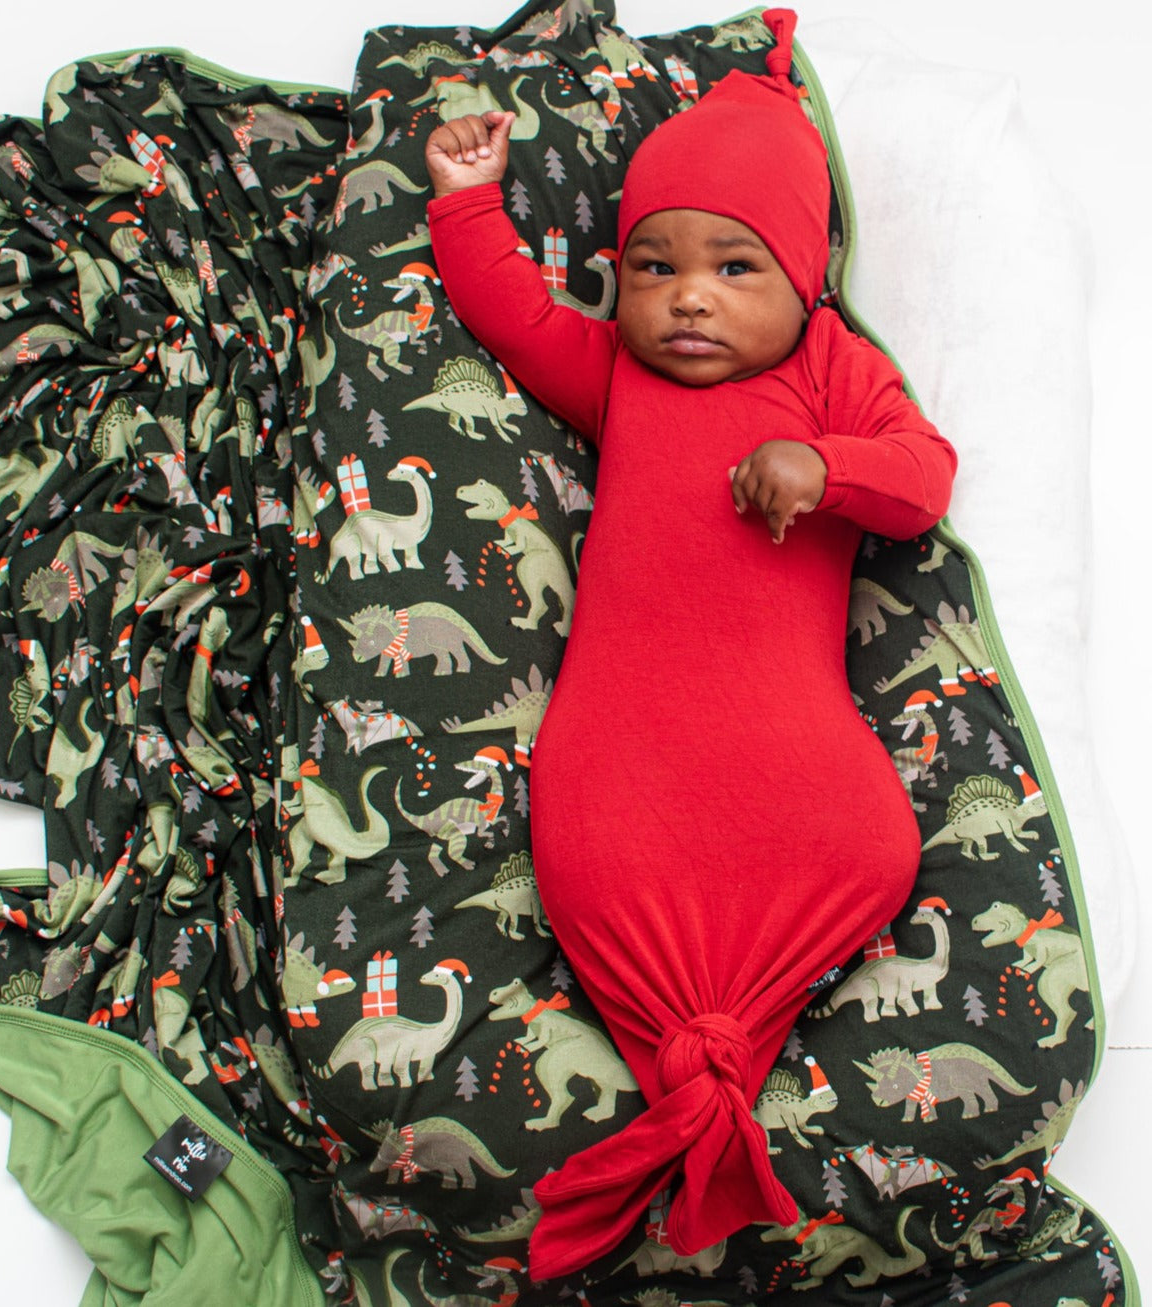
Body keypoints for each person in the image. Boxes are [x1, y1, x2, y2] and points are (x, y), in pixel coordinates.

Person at [423, 8, 956, 1282]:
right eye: (654, 268)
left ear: (804, 283)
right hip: (622, 775)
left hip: (801, 788)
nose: (688, 298)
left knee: (867, 846)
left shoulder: (827, 371)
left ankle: (717, 1097)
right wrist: (464, 198)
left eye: (733, 266)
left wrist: (821, 466)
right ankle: (693, 1093)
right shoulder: (624, 381)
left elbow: (922, 476)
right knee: (592, 864)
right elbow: (514, 315)